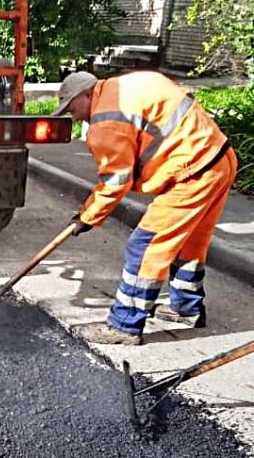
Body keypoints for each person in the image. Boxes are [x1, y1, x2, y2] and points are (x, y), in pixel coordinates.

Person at [53, 71, 237, 345]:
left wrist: (86, 217)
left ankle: (124, 325)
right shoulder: (132, 84)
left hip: (191, 173)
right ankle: (187, 309)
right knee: (190, 243)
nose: (75, 116)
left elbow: (115, 181)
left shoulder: (106, 120)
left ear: (87, 94)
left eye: (72, 108)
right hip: (220, 160)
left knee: (145, 246)